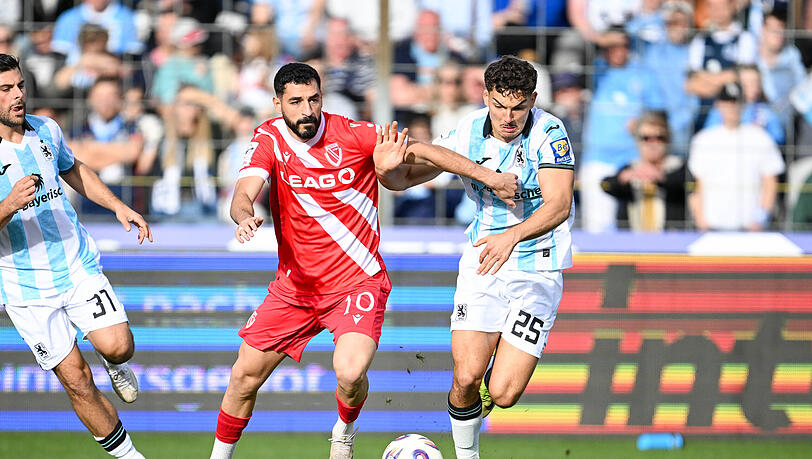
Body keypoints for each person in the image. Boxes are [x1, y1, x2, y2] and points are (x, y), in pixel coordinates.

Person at [208, 62, 518, 459]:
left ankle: (345, 427)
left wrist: (487, 176)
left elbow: (424, 150)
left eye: (314, 99)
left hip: (358, 283)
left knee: (350, 373)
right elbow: (244, 190)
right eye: (296, 102)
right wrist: (244, 214)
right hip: (295, 289)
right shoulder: (268, 137)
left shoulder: (354, 133)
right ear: (277, 103)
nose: (307, 110)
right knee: (242, 378)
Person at [380, 55, 575, 459]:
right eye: (499, 106)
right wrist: (388, 171)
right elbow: (408, 175)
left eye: (519, 108)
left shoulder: (550, 132)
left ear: (533, 101)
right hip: (483, 261)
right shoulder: (467, 130)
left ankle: (497, 376)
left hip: (538, 267)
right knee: (465, 376)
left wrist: (513, 237)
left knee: (502, 394)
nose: (508, 117)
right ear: (485, 96)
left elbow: (558, 205)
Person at [0, 54, 152, 459]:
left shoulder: (46, 128)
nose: (18, 96)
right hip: (26, 288)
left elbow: (73, 169)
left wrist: (117, 205)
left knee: (118, 346)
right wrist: (8, 205)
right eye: (6, 90)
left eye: (19, 85)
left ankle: (116, 363)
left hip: (75, 264)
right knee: (77, 381)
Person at [688, 82, 784, 231]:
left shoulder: (760, 138)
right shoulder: (703, 140)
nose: (732, 107)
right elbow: (698, 185)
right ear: (718, 104)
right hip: (713, 227)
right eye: (727, 101)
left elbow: (770, 182)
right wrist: (701, 221)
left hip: (749, 228)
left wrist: (760, 218)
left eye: (736, 101)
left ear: (744, 104)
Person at [601, 110, 686, 231]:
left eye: (659, 138)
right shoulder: (630, 168)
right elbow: (605, 184)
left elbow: (685, 185)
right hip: (633, 242)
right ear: (637, 141)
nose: (653, 143)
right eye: (646, 138)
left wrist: (660, 177)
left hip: (670, 242)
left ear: (668, 139)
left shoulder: (678, 166)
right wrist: (625, 177)